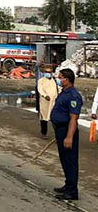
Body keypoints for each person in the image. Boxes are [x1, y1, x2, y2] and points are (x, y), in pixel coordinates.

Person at [50, 68, 83, 200]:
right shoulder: (64, 92)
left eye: (60, 77)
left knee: (70, 161)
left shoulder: (73, 96)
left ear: (67, 80)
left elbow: (73, 119)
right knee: (64, 159)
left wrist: (69, 137)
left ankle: (72, 191)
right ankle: (68, 184)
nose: (59, 79)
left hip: (67, 130)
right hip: (60, 130)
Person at [37, 66, 59, 139]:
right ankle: (44, 133)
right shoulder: (41, 81)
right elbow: (40, 89)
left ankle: (57, 136)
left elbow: (58, 89)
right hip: (45, 103)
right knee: (44, 119)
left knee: (55, 120)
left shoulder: (54, 81)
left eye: (49, 72)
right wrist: (45, 95)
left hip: (53, 102)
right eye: (46, 72)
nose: (48, 73)